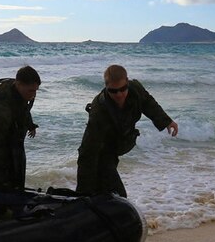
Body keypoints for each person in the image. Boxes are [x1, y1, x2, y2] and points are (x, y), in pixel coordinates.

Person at [76, 65, 179, 197]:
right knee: (117, 195)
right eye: (113, 91)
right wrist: (82, 195)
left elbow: (148, 103)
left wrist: (166, 121)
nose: (119, 94)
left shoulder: (135, 90)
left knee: (107, 192)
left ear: (127, 82)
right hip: (103, 149)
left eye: (123, 89)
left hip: (120, 143)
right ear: (106, 87)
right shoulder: (99, 109)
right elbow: (88, 151)